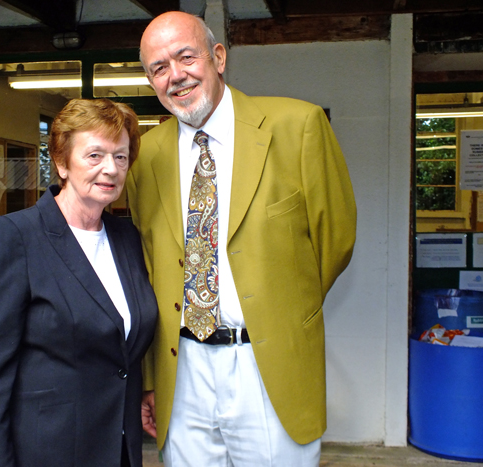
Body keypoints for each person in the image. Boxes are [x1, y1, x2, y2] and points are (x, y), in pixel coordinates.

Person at [126, 11, 357, 466]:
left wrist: (279, 310)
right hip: (183, 367)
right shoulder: (145, 156)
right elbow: (150, 269)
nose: (175, 76)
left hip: (266, 366)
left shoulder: (298, 126)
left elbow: (336, 241)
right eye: (158, 67)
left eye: (185, 57)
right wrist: (151, 377)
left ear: (218, 57)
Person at [0, 98, 158, 467]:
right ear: (61, 163)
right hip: (45, 449)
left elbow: (124, 348)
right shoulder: (15, 236)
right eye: (95, 155)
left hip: (118, 448)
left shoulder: (128, 238)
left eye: (120, 157)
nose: (111, 169)